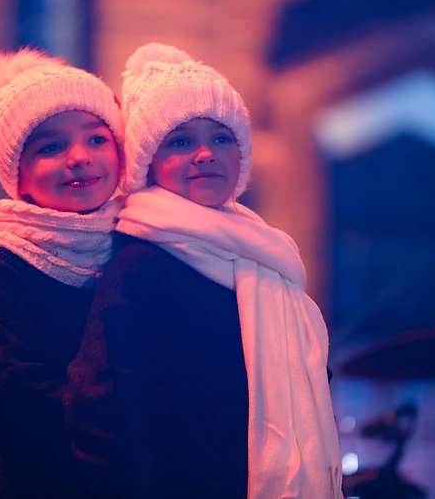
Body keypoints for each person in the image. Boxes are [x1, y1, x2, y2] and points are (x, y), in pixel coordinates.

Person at [65, 43, 343, 499]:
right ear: (147, 163)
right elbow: (100, 413)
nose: (206, 154)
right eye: (180, 141)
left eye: (221, 138)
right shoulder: (140, 268)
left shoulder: (266, 257)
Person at [0, 47, 124, 498]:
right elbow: (16, 391)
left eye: (96, 139)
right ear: (17, 175)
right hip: (33, 477)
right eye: (51, 147)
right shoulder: (3, 258)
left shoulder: (137, 238)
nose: (79, 156)